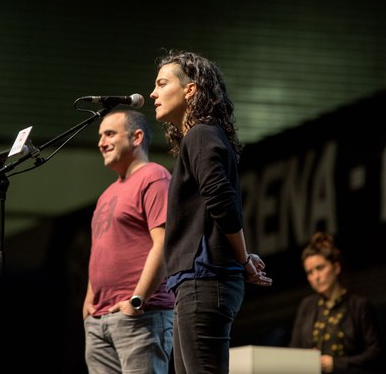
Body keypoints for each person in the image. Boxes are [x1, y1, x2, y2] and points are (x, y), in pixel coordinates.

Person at [149, 49, 273, 374]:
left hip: (204, 281)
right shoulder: (201, 137)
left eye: (162, 84)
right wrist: (241, 257)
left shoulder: (201, 134)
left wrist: (243, 258)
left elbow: (222, 200)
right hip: (198, 282)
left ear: (190, 89)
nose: (153, 93)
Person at [83, 110, 175, 373]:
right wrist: (89, 303)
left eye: (110, 134)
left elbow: (165, 243)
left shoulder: (154, 177)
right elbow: (100, 250)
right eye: (100, 135)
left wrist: (137, 300)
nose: (101, 142)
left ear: (136, 137)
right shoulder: (106, 194)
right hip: (99, 320)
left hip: (140, 316)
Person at [290, 231, 382, 374]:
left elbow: (376, 353)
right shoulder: (307, 306)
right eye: (310, 272)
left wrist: (335, 364)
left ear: (336, 267)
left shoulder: (359, 306)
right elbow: (293, 350)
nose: (316, 277)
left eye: (320, 268)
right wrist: (304, 358)